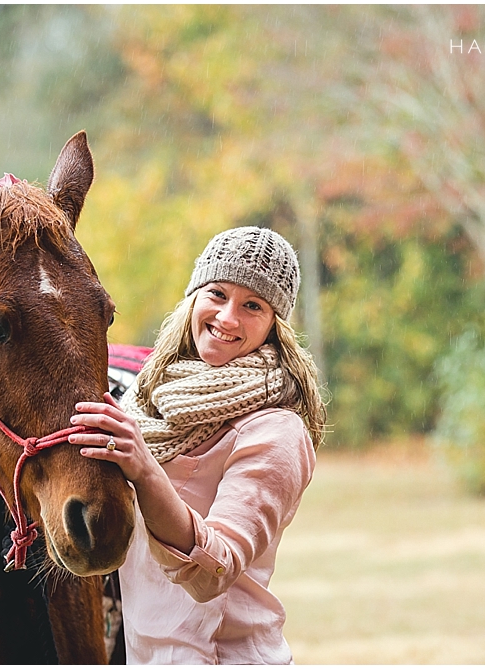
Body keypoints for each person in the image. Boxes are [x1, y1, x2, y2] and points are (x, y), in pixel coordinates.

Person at [69, 226, 326, 665]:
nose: (228, 317)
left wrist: (145, 470)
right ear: (194, 296)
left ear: (274, 325)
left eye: (252, 306)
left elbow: (215, 570)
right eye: (218, 293)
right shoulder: (148, 401)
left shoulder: (276, 431)